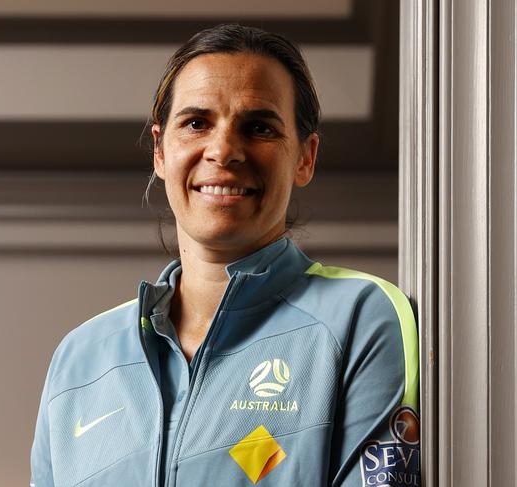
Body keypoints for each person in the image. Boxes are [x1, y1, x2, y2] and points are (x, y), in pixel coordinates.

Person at [30, 24, 419, 487]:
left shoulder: (361, 317)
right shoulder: (81, 358)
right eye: (196, 123)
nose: (224, 150)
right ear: (160, 151)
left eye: (259, 127)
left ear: (305, 158)